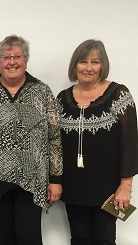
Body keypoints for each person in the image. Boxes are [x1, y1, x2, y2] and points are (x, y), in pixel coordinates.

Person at [0, 34, 63, 245]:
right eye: (6, 57)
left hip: (32, 180)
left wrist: (56, 178)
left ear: (26, 60)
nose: (12, 62)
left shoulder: (42, 92)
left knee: (30, 238)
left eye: (17, 56)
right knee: (3, 239)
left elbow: (55, 138)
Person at [57, 39, 138, 245]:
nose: (89, 68)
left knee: (104, 239)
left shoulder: (119, 95)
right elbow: (54, 144)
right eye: (83, 62)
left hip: (107, 189)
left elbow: (130, 143)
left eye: (95, 62)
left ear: (103, 65)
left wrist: (125, 186)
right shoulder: (62, 99)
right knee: (79, 238)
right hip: (74, 187)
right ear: (75, 65)